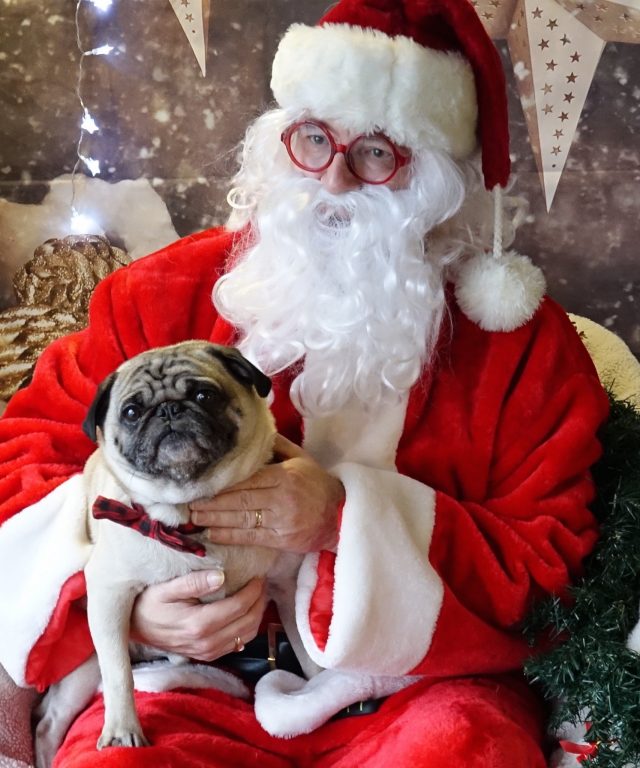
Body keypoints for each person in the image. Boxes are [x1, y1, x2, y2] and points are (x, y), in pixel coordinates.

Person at [0, 0, 609, 765]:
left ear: (437, 182)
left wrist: (344, 522)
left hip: (412, 691)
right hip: (178, 681)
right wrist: (131, 611)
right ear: (278, 143)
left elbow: (550, 564)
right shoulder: (159, 295)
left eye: (379, 154)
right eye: (314, 140)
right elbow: (24, 462)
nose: (336, 180)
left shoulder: (521, 349)